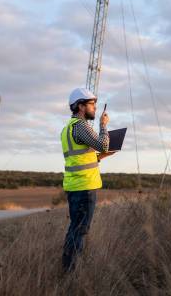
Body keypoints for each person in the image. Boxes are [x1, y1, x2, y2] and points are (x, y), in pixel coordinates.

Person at [60, 87, 114, 272]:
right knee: (80, 231)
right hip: (84, 186)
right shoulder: (81, 126)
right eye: (92, 104)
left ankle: (66, 268)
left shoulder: (67, 129)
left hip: (76, 185)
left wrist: (98, 157)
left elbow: (79, 157)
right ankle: (71, 273)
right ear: (81, 106)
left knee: (75, 228)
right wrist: (103, 125)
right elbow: (103, 144)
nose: (95, 108)